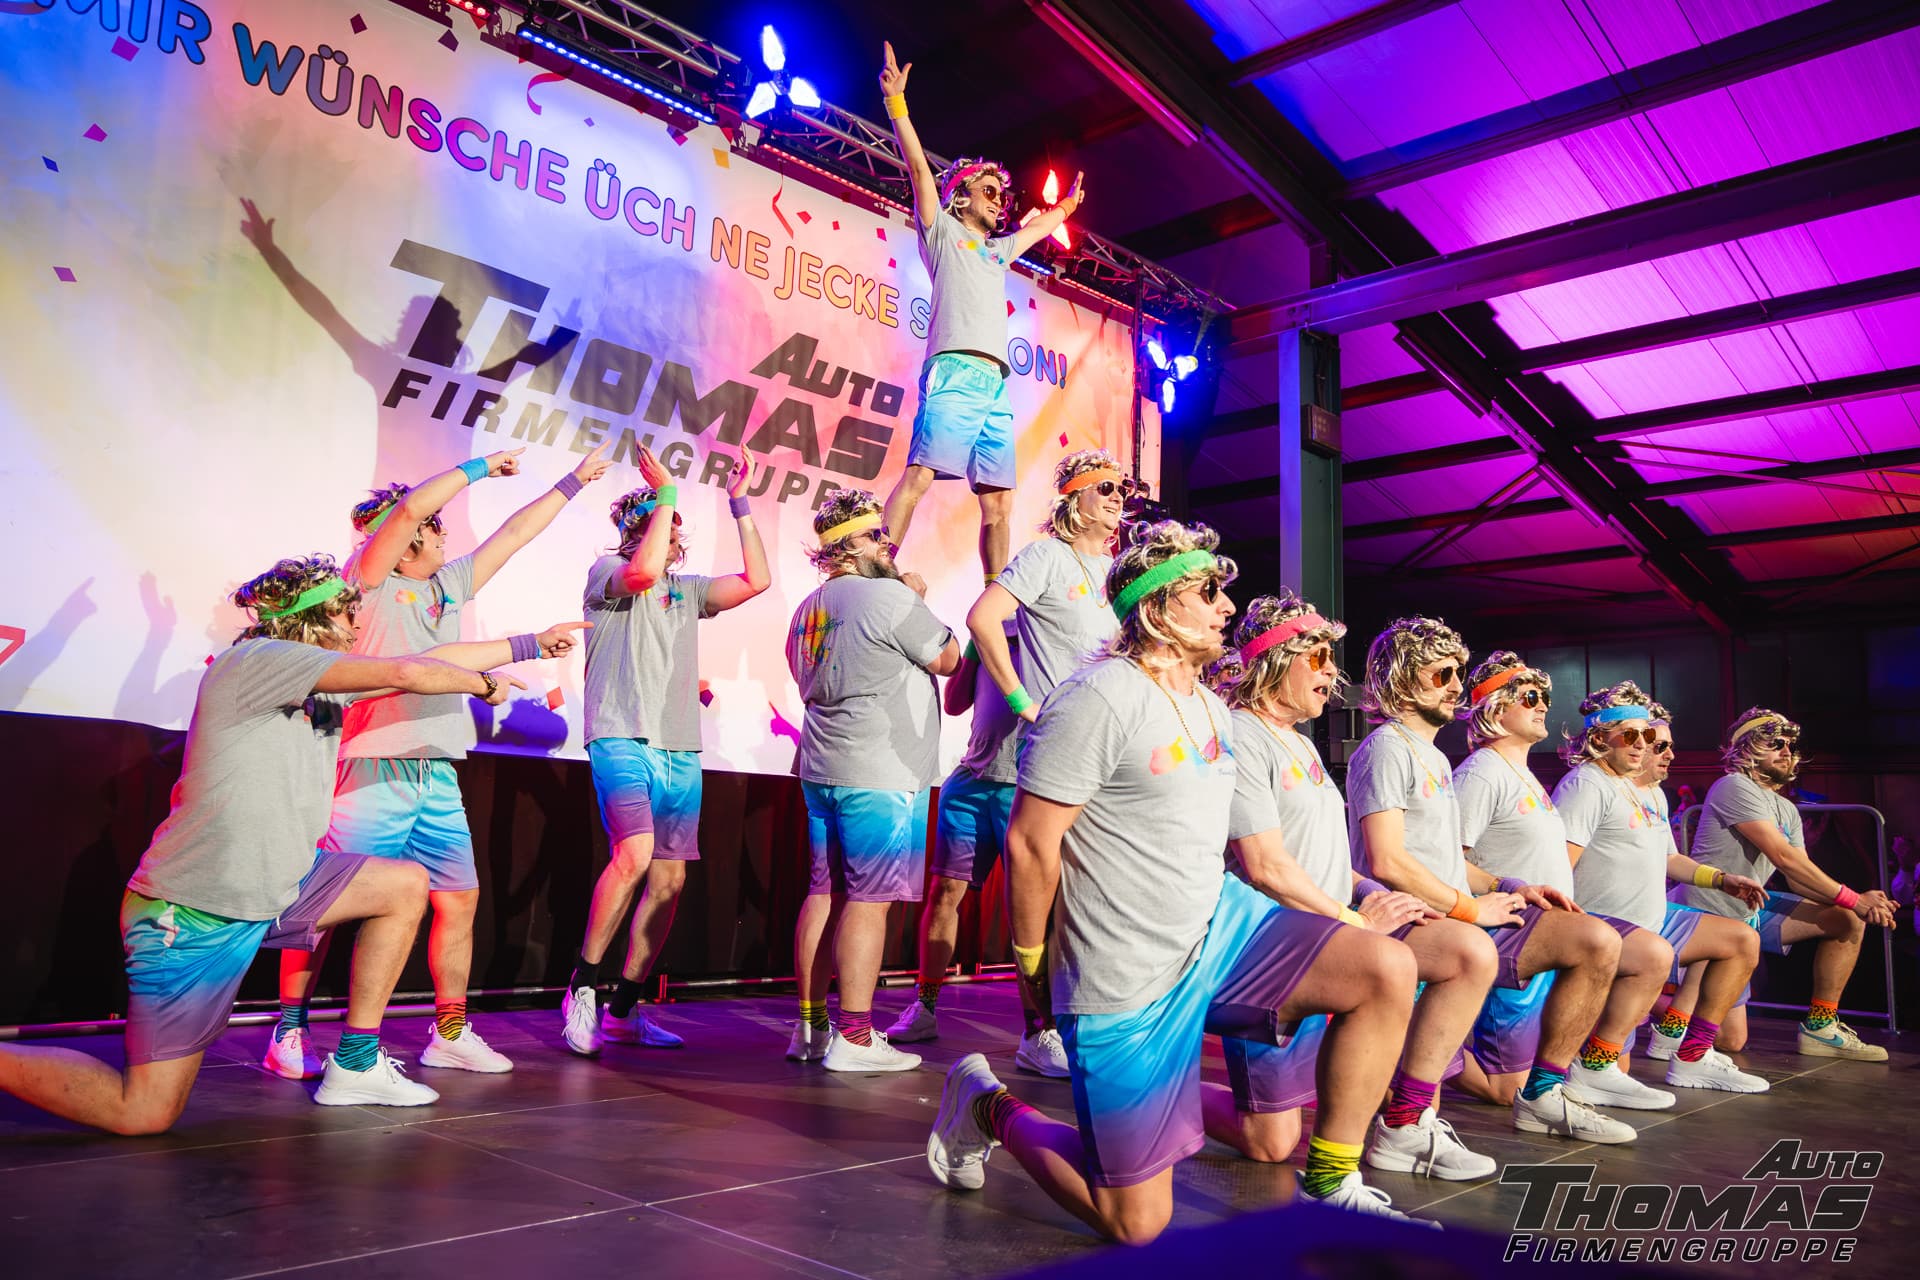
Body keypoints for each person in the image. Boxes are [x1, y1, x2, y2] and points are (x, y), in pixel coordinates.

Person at [927, 525, 1436, 1241]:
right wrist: (1033, 963)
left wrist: (1353, 908)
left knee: (1384, 967)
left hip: (1222, 930)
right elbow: (1031, 842)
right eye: (1209, 592)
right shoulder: (1096, 698)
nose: (1227, 607)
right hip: (1127, 970)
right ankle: (987, 1105)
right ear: (1158, 607)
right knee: (1134, 1224)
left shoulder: (1212, 708)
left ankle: (1329, 1183)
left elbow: (1252, 850)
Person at [0, 555, 524, 1132]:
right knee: (143, 1112)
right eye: (347, 612)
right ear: (313, 618)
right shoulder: (257, 660)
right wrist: (483, 687)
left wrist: (527, 646)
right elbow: (406, 672)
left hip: (280, 885)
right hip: (195, 911)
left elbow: (426, 661)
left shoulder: (322, 691)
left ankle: (355, 1064)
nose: (358, 624)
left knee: (403, 885)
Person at [269, 445, 613, 1080]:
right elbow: (405, 512)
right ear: (404, 545)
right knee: (326, 905)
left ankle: (450, 1032)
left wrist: (573, 481)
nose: (442, 533)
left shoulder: (445, 587)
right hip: (373, 768)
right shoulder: (367, 583)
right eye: (433, 528)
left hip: (437, 773)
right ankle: (289, 1029)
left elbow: (513, 535)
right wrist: (480, 468)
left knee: (458, 899)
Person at [888, 450, 1129, 1073]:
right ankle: (925, 1005)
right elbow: (957, 697)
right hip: (978, 778)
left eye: (1121, 490)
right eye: (1105, 488)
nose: (1117, 498)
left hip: (1044, 774)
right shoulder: (1024, 589)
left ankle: (1042, 1028)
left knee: (1046, 909)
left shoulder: (1110, 588)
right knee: (946, 894)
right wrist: (1017, 694)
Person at [1213, 593, 1438, 1181]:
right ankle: (1146, 1107)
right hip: (1271, 945)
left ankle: (1401, 1123)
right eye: (1317, 658)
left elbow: (1320, 852)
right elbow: (1265, 867)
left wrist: (1368, 891)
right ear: (1272, 660)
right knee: (1270, 1142)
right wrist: (1356, 920)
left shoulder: (1302, 742)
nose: (1333, 671)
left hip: (1325, 930)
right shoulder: (1242, 734)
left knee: (1458, 952)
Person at [560, 448, 772, 1055]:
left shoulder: (687, 590)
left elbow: (756, 581)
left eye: (677, 530)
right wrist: (667, 495)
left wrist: (740, 502)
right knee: (632, 856)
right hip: (621, 733)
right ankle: (582, 988)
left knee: (669, 880)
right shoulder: (607, 571)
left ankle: (624, 1007)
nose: (676, 539)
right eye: (666, 526)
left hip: (679, 746)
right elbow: (642, 573)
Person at [875, 40, 1085, 580]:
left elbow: (1039, 228)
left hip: (994, 383)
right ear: (960, 197)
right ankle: (874, 569)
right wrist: (897, 105)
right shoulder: (942, 231)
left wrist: (1066, 206)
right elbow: (918, 169)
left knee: (999, 503)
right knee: (921, 475)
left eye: (1000, 195)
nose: (998, 200)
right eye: (988, 191)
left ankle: (995, 590)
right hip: (955, 368)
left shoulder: (997, 249)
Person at [1450, 654, 1675, 1117]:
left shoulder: (1522, 774)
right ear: (1495, 707)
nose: (1543, 706)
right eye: (1530, 697)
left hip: (1549, 929)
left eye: (1545, 698)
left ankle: (1584, 1073)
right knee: (1503, 1091)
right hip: (1512, 931)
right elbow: (1450, 860)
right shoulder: (1481, 772)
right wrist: (1499, 890)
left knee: (1647, 954)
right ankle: (1407, 1052)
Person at [786, 489, 962, 1072]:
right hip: (879, 770)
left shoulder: (807, 608)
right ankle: (856, 1039)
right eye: (875, 536)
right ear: (847, 547)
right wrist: (916, 599)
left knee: (824, 892)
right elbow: (950, 660)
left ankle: (810, 1029)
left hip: (821, 766)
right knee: (869, 901)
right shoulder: (890, 596)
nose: (887, 544)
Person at [1553, 685, 1772, 1093]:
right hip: (1608, 923)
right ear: (1601, 738)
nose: (1648, 746)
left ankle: (1692, 1057)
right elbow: (1559, 862)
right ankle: (1595, 1068)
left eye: (1649, 736)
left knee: (1741, 940)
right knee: (1615, 1064)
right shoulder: (1586, 784)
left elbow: (1670, 859)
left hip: (1656, 921)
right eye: (1636, 736)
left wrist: (1722, 879)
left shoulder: (1651, 793)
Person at [1663, 708, 1898, 1062]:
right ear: (1747, 749)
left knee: (1846, 919)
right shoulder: (1733, 786)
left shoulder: (1786, 809)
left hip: (1749, 912)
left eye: (1790, 745)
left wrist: (1856, 902)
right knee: (1731, 1040)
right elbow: (1784, 857)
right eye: (1776, 744)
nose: (1787, 751)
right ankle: (1653, 1008)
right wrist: (1854, 898)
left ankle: (1820, 1026)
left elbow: (1798, 876)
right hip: (1706, 912)